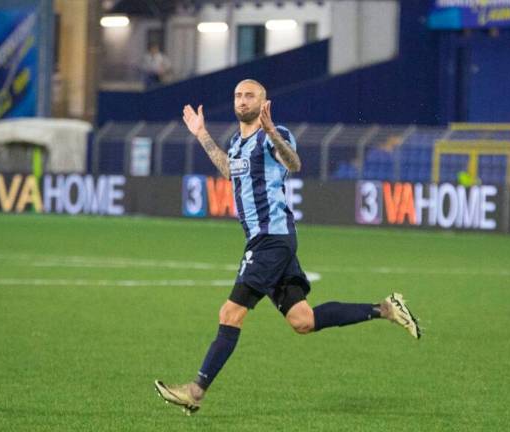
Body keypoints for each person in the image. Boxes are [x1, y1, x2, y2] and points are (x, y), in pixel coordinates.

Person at [154, 79, 421, 415]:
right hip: (267, 241)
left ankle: (195, 391)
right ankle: (384, 308)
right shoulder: (237, 142)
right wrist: (202, 135)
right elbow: (229, 171)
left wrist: (272, 132)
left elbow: (293, 163)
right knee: (303, 320)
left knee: (230, 313)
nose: (242, 100)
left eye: (249, 95)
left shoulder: (273, 134)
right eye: (238, 95)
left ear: (263, 102)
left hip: (272, 240)